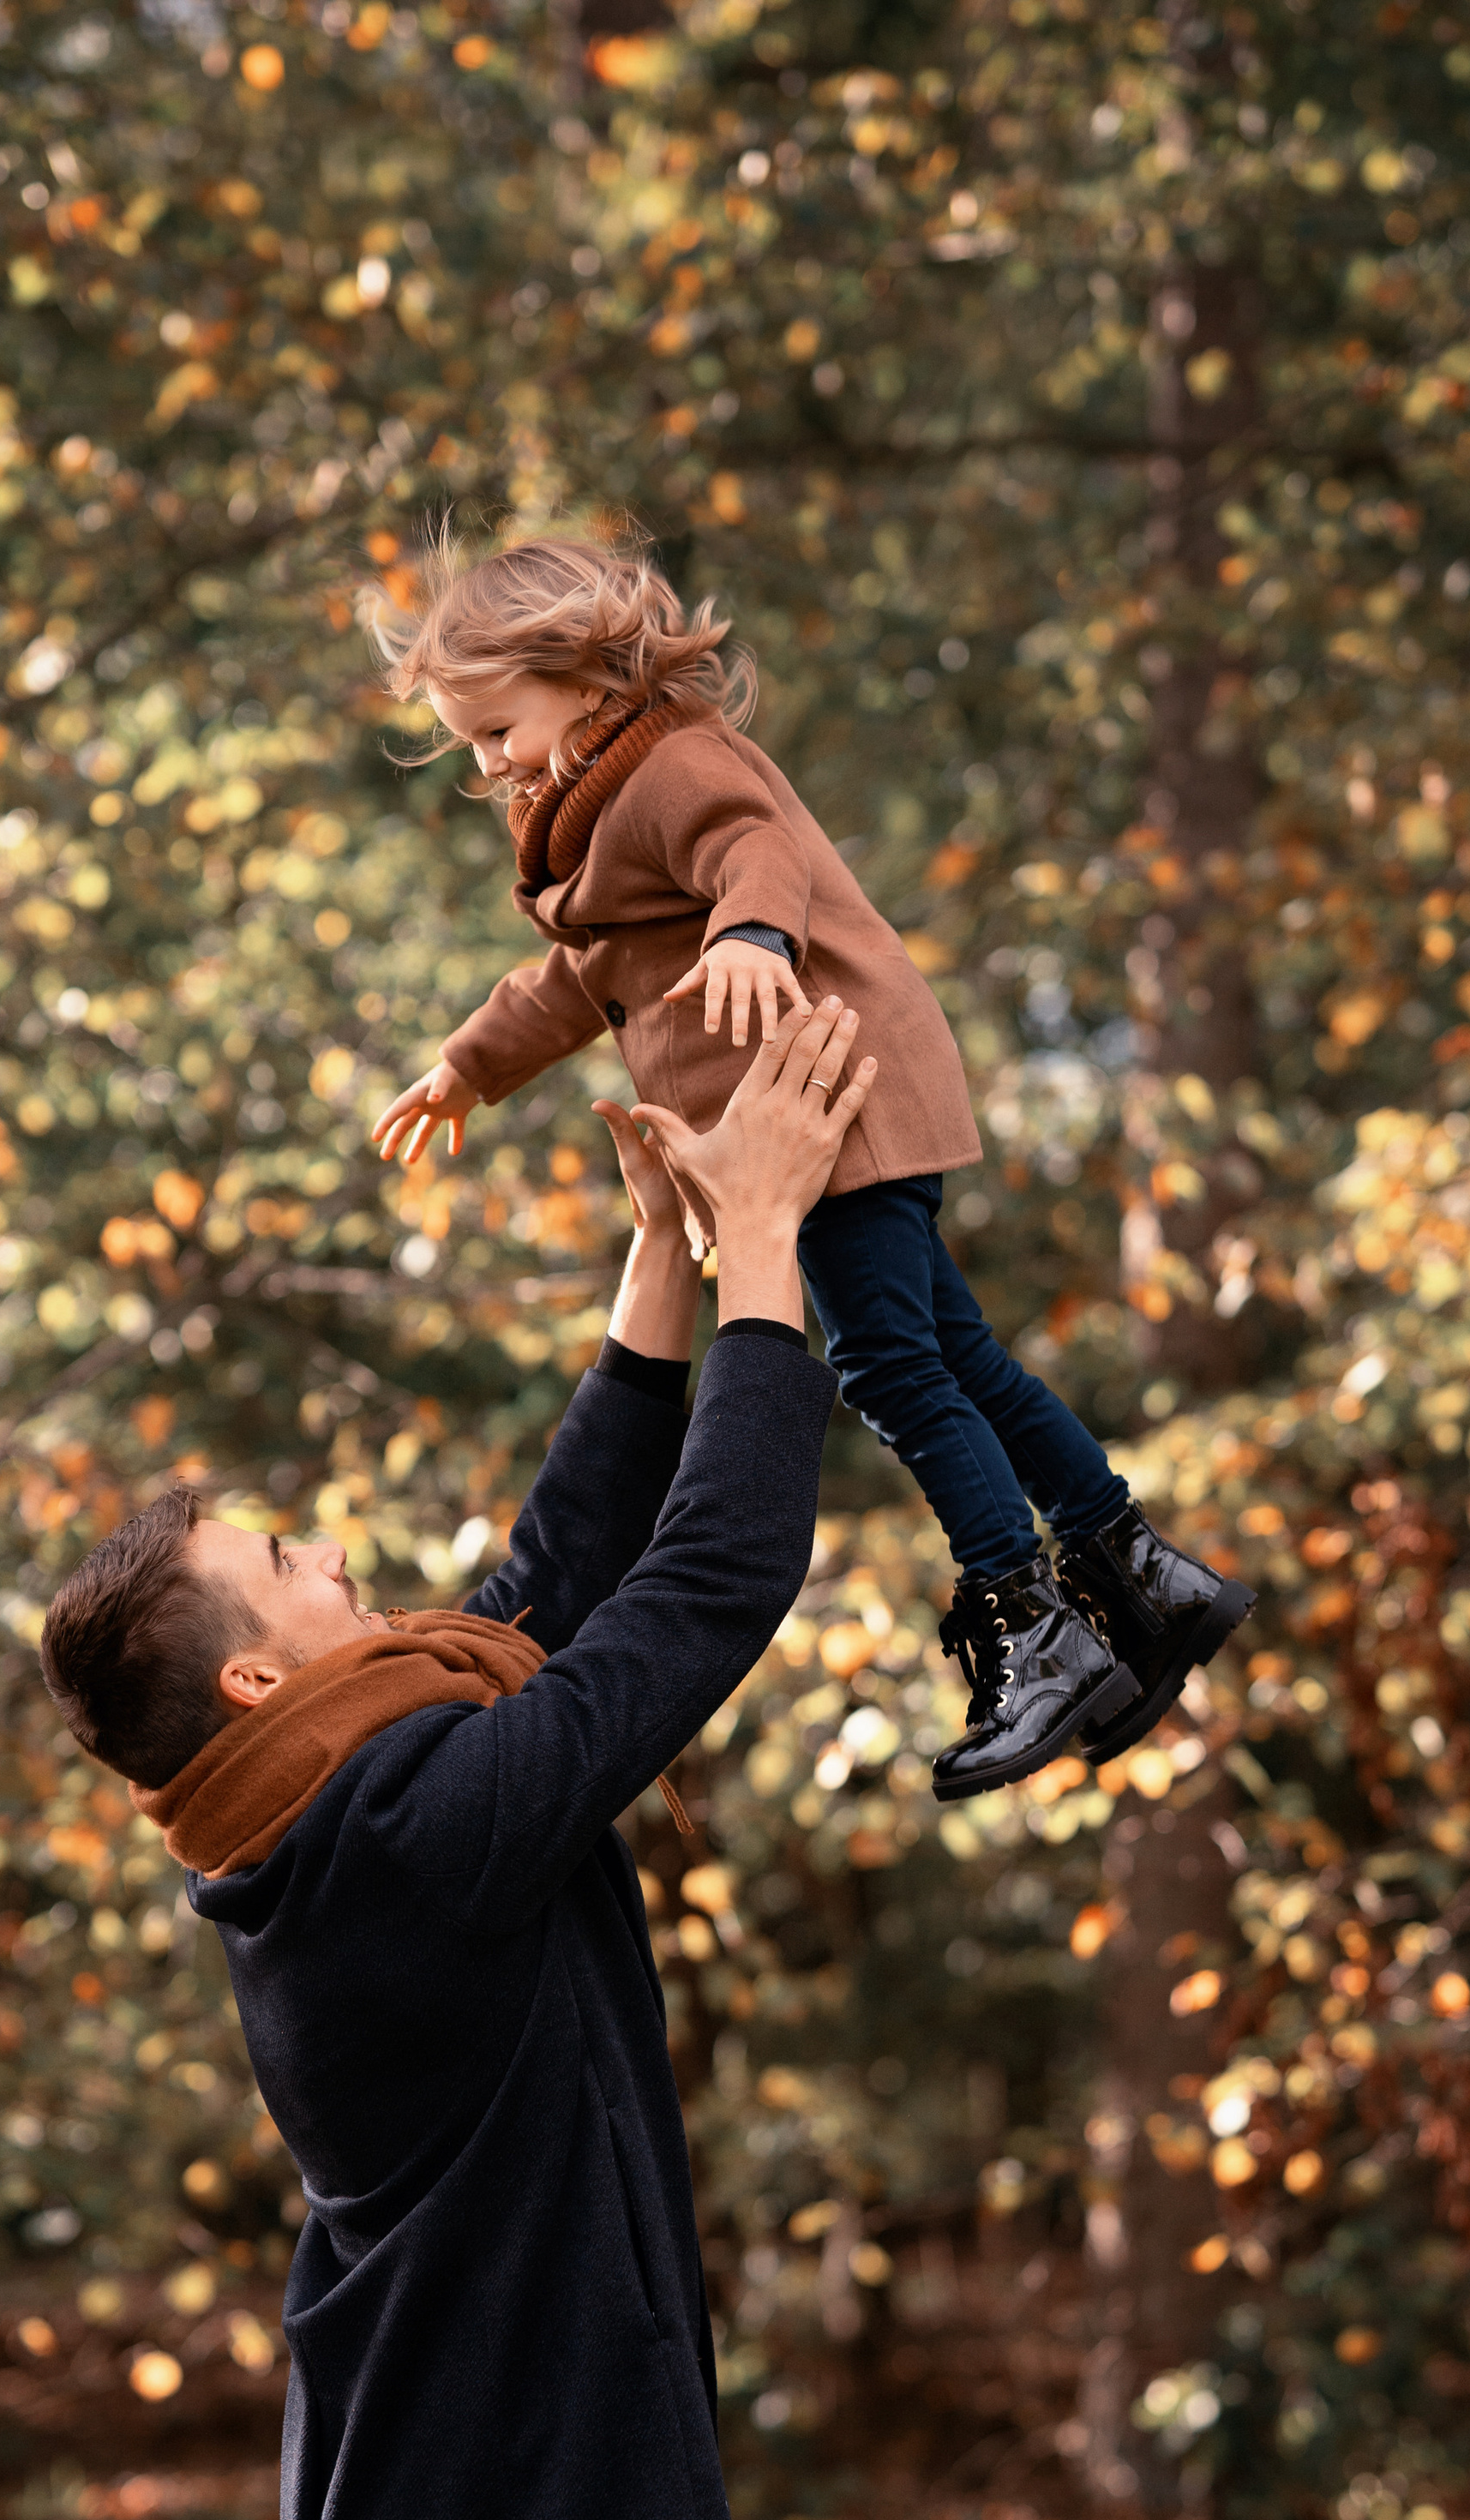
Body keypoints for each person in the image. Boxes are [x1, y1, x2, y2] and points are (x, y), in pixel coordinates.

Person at [37, 999, 873, 2520]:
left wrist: (666, 1260)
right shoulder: (401, 1831)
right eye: (290, 1557)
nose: (340, 1557)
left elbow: (551, 1576)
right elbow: (696, 1597)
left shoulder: (328, 1808)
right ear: (252, 1675)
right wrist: (778, 1250)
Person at [364, 530, 1251, 1802]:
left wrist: (754, 937)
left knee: (889, 1366)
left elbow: (756, 850)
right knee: (957, 1355)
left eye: (496, 730)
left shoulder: (672, 763)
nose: (488, 763)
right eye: (470, 745)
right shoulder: (599, 815)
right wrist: (469, 1064)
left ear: (589, 676)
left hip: (832, 1103)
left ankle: (1032, 1620)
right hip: (830, 1110)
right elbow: (579, 974)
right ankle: (1139, 1575)